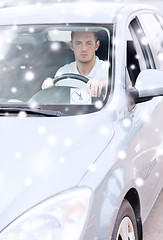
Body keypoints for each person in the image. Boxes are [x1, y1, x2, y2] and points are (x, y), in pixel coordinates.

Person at [41, 31, 108, 97]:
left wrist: (102, 84)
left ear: (97, 45)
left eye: (88, 43)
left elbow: (110, 81)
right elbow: (56, 99)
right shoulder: (63, 72)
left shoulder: (107, 70)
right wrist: (48, 88)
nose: (84, 49)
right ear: (71, 45)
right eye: (78, 43)